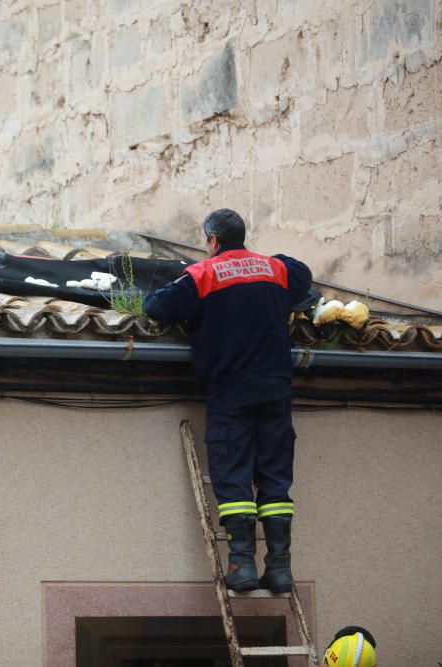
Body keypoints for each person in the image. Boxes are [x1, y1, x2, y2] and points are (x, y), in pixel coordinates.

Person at [142, 209, 312, 593]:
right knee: (274, 481)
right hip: (275, 392)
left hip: (230, 393)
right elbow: (303, 276)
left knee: (233, 478)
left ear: (212, 241)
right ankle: (280, 569)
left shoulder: (204, 274)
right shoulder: (276, 270)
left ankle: (242, 566)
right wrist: (272, 263)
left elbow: (157, 307)